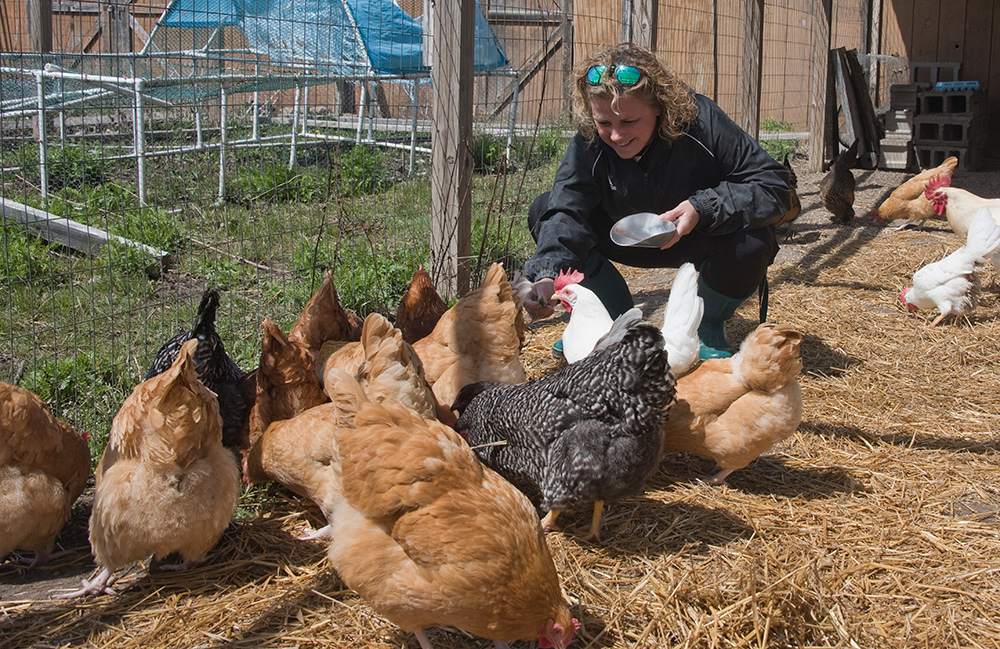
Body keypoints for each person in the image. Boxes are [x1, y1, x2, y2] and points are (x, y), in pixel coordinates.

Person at [521, 42, 791, 359]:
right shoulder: (590, 141)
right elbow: (566, 209)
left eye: (629, 122)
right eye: (604, 122)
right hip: (622, 238)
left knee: (754, 239)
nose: (616, 136)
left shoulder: (702, 122)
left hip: (697, 237)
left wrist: (704, 207)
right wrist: (548, 274)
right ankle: (609, 324)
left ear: (659, 107)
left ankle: (707, 328)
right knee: (544, 210)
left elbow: (773, 186)